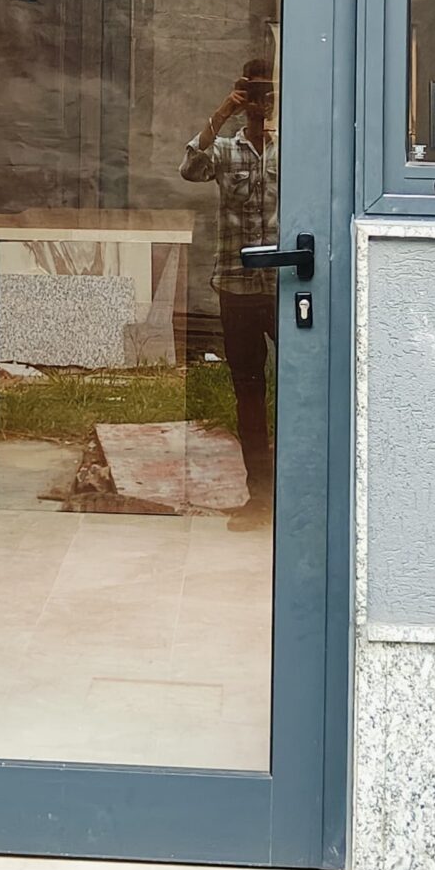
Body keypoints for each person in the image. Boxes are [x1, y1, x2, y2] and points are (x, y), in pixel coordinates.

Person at [182, 57, 277, 532]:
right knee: (249, 393)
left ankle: (297, 493)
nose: (259, 102)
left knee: (303, 389)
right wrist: (220, 114)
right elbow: (189, 168)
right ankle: (259, 495)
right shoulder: (223, 150)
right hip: (237, 287)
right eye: (251, 92)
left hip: (284, 286)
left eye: (266, 93)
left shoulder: (292, 149)